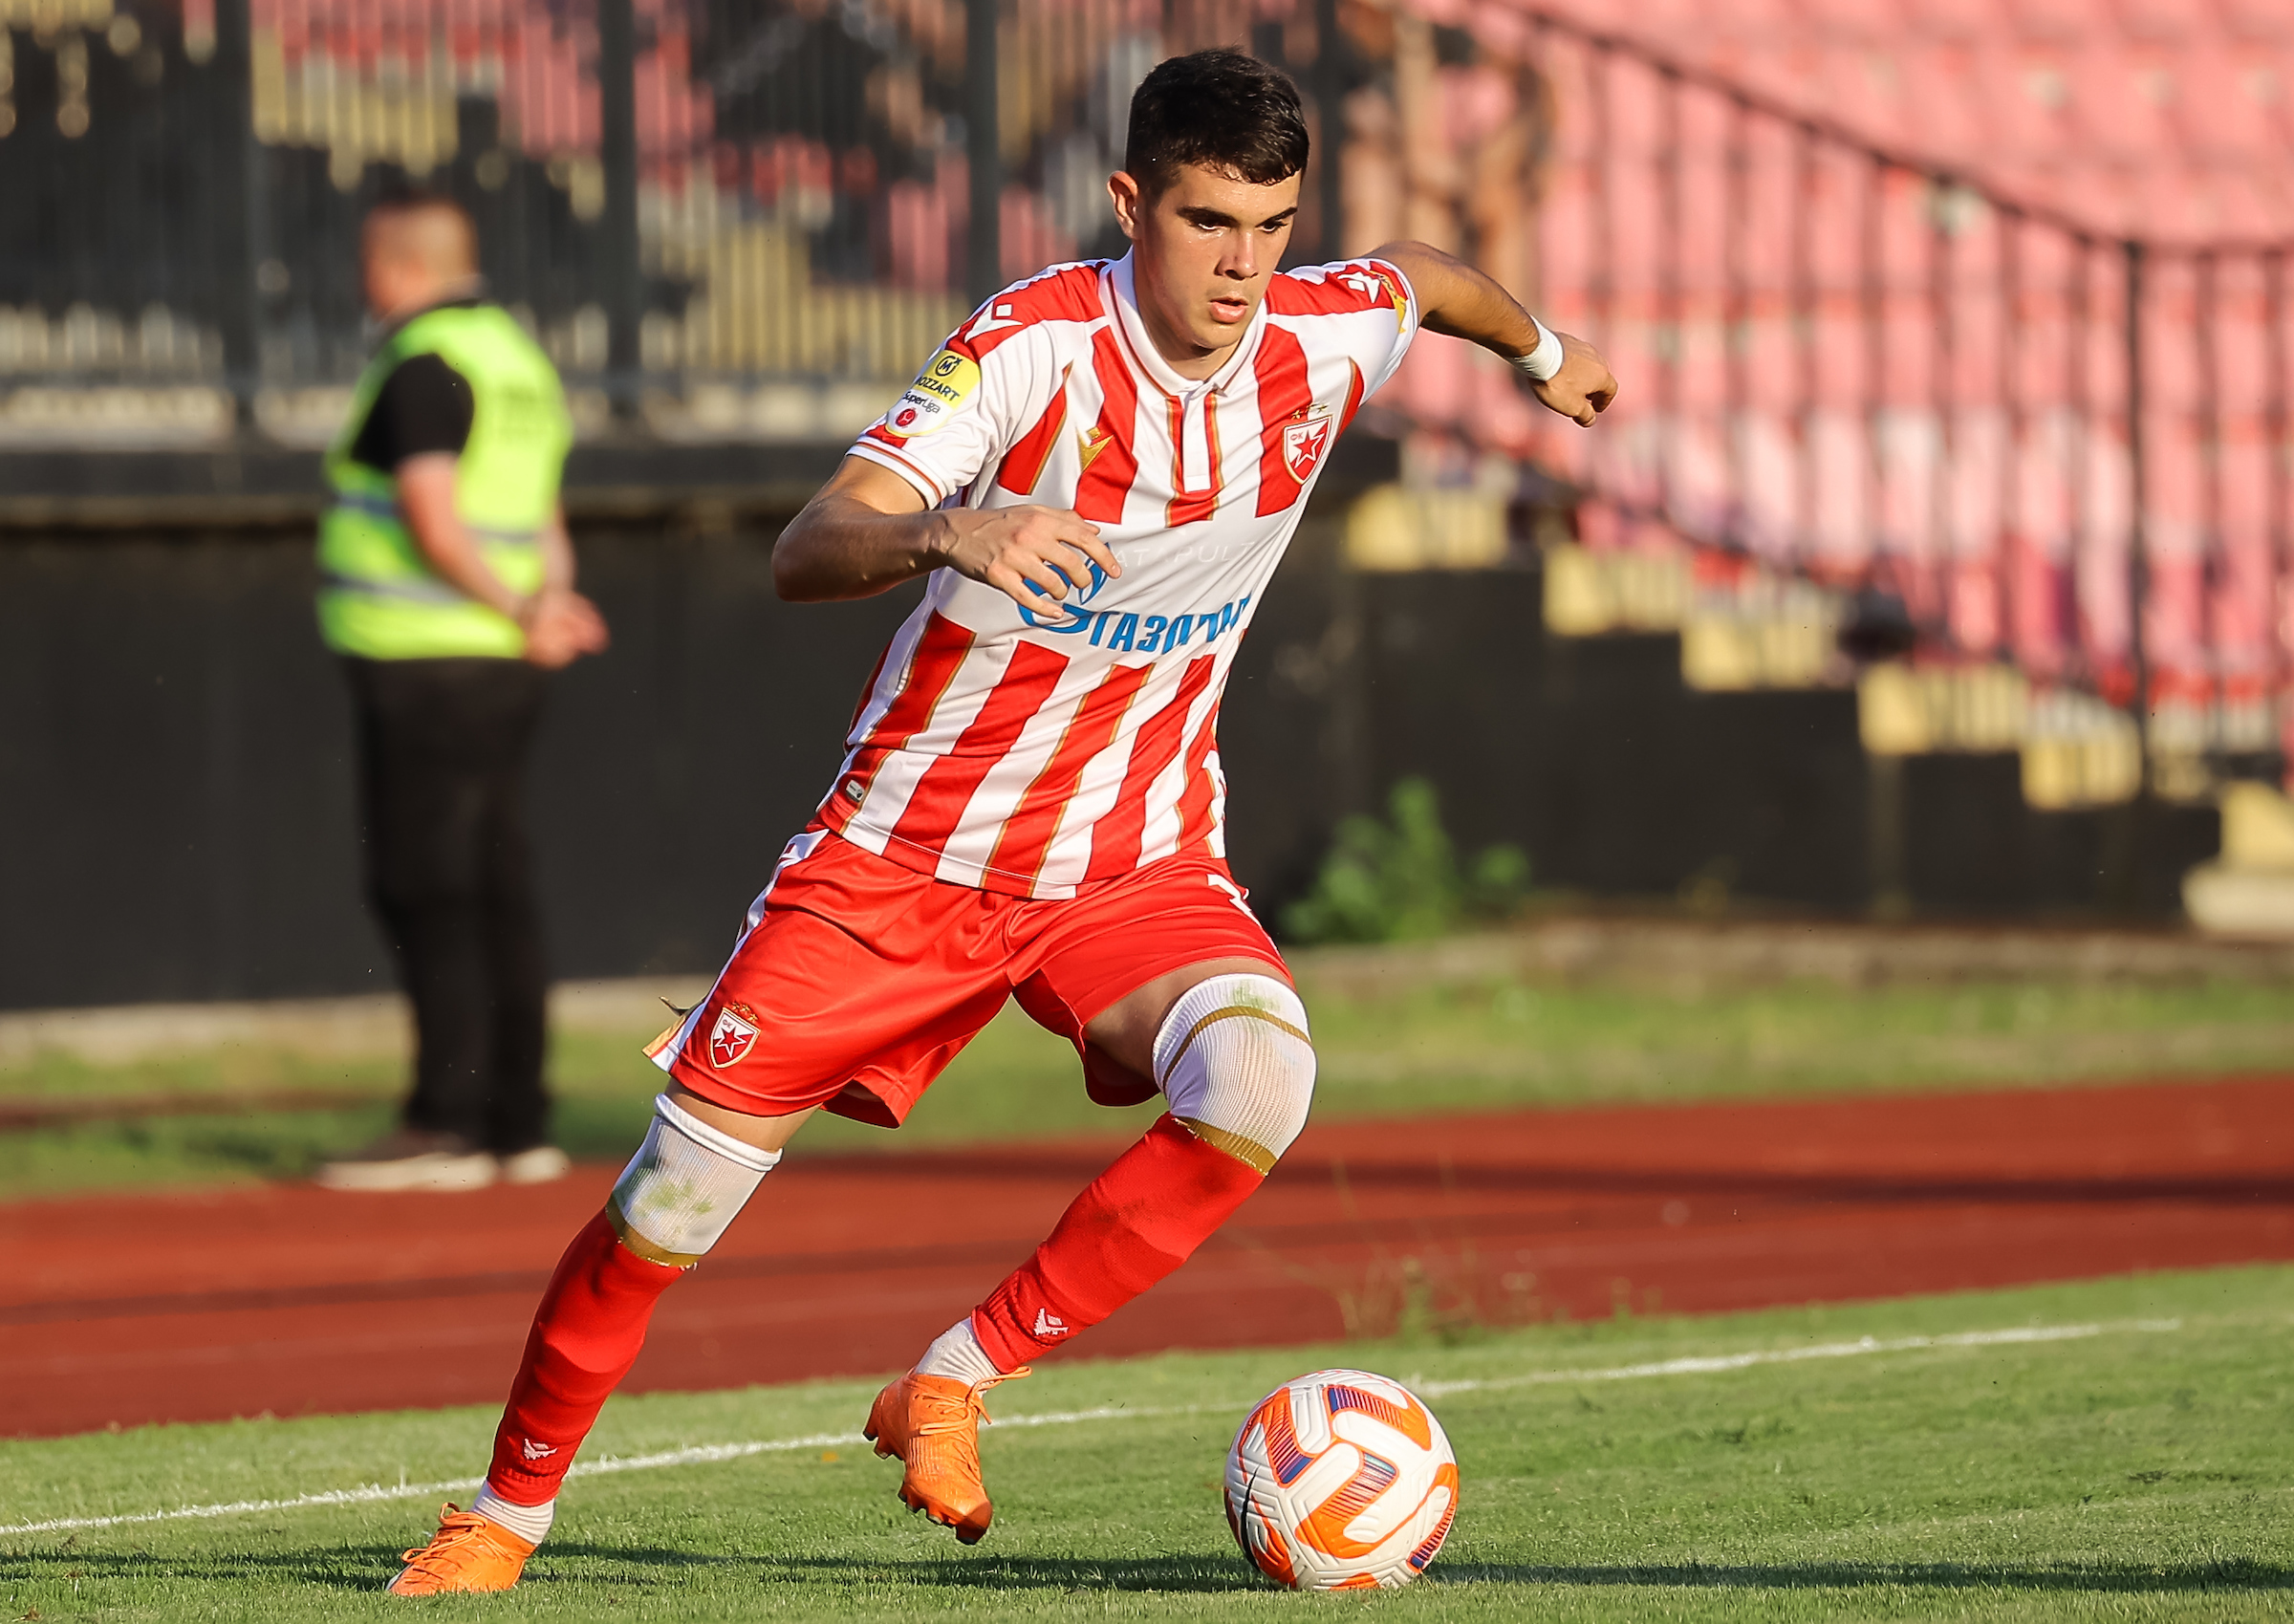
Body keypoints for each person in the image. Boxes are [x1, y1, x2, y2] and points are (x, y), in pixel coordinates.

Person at [384, 49, 1612, 1592]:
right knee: (666, 1204)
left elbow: (1422, 279)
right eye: (1207, 221)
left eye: (1272, 224)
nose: (1244, 265)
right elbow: (806, 544)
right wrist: (949, 525)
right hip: (899, 862)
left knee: (1262, 1070)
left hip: (1130, 858)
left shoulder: (1314, 331)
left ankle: (954, 1374)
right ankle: (506, 1507)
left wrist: (1545, 348)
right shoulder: (1027, 346)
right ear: (1129, 202)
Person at [314, 193, 610, 1195]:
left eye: (370, 264)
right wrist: (549, 601)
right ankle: (516, 1118)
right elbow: (542, 511)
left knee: (426, 884)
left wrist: (523, 608)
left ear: (396, 267)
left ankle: (447, 1120)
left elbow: (435, 521)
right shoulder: (517, 360)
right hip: (500, 665)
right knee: (495, 882)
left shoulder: (422, 363)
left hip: (427, 661)